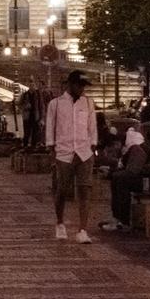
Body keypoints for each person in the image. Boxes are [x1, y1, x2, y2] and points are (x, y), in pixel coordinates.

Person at [45, 71, 97, 243]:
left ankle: (83, 229)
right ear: (70, 84)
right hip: (64, 152)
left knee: (84, 190)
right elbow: (50, 127)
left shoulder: (88, 103)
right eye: (79, 85)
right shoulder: (56, 104)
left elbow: (92, 127)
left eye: (83, 86)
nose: (82, 89)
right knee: (62, 190)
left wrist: (93, 146)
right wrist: (52, 149)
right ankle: (60, 223)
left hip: (84, 152)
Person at [100, 127, 150, 232]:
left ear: (118, 143)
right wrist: (111, 173)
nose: (114, 150)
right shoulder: (133, 147)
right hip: (149, 179)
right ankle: (117, 218)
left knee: (120, 181)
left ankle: (123, 221)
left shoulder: (136, 148)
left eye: (113, 147)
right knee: (118, 179)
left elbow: (132, 171)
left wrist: (112, 173)